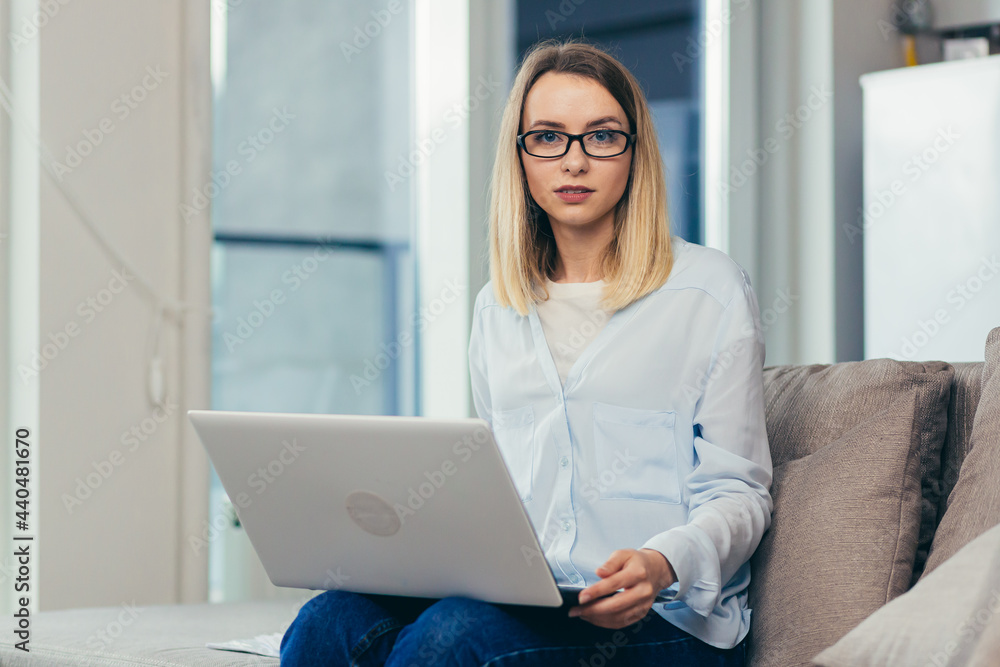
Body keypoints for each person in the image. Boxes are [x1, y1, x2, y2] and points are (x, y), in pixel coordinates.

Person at [280, 38, 772, 666]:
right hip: (536, 597)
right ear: (521, 156)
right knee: (329, 619)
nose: (573, 162)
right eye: (547, 137)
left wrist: (661, 562)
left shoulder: (708, 290)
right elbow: (499, 494)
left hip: (667, 619)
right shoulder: (497, 307)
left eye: (601, 136)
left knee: (455, 636)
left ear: (634, 153)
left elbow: (740, 491)